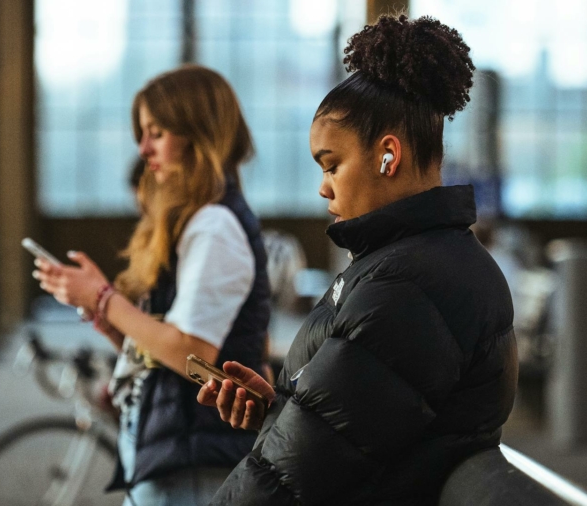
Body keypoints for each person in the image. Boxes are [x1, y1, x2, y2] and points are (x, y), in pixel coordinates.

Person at [198, 15, 518, 505]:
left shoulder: (410, 285)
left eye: (332, 164)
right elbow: (356, 425)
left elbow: (291, 474)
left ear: (388, 155)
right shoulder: (410, 262)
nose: (323, 186)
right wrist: (278, 406)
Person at [34, 65, 272, 506]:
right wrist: (108, 319)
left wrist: (105, 299)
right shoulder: (199, 220)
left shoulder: (215, 225)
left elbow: (193, 352)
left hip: (194, 462)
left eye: (156, 132)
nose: (143, 149)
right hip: (175, 453)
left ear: (196, 132)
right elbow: (167, 348)